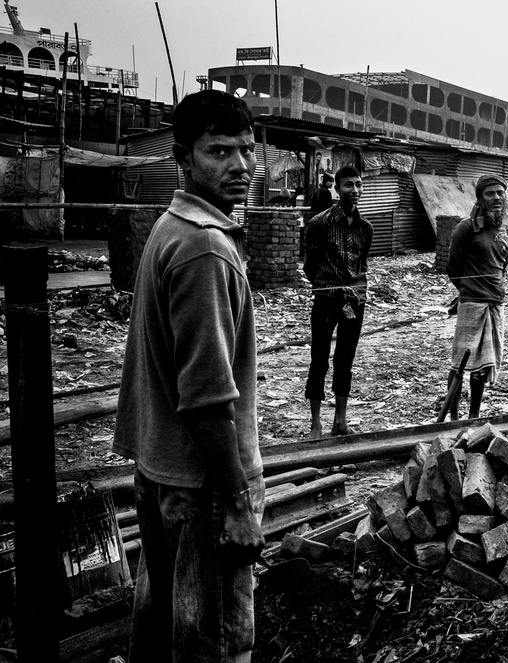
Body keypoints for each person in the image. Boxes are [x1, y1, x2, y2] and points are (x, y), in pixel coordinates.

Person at [112, 89, 264, 662]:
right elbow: (206, 400)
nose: (240, 167)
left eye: (247, 151)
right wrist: (240, 503)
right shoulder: (204, 248)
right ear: (183, 157)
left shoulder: (171, 227)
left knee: (166, 635)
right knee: (216, 646)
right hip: (202, 491)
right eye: (219, 152)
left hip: (162, 474)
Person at [303, 164, 373, 439]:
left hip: (355, 301)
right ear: (337, 188)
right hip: (325, 299)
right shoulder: (319, 223)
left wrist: (355, 292)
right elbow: (309, 266)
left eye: (358, 184)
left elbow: (362, 264)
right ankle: (316, 426)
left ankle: (340, 422)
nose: (354, 191)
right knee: (319, 358)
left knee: (345, 359)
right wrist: (327, 288)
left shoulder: (365, 227)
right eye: (348, 185)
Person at [445, 173, 508, 419]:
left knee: (482, 367)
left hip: (496, 306)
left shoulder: (507, 232)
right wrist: (467, 292)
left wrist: (492, 291)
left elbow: (501, 268)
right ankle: (452, 417)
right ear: (480, 199)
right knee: (460, 364)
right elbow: (452, 268)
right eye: (490, 193)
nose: (496, 198)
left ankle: (474, 415)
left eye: (500, 192)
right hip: (472, 305)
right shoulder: (465, 228)